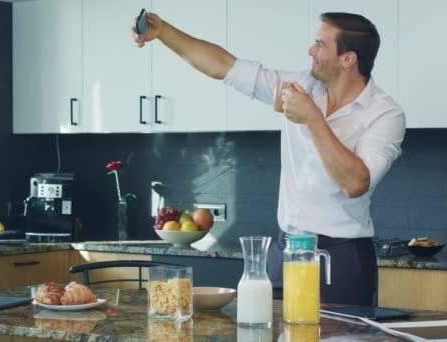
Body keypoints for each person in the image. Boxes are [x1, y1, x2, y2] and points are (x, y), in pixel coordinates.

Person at [132, 12, 405, 305]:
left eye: (320, 44)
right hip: (284, 251)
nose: (310, 51)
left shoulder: (385, 114)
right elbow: (222, 66)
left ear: (348, 59)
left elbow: (355, 183)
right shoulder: (300, 87)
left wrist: (311, 117)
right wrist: (164, 32)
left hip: (340, 258)